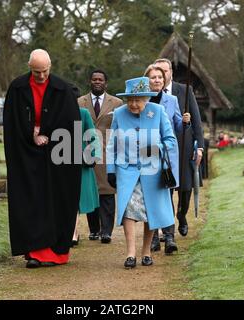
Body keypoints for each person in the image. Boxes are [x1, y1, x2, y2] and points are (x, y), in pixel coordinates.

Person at [3, 49, 82, 268]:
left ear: (50, 67)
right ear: (29, 67)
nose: (41, 76)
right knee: (31, 199)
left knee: (56, 199)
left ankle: (54, 253)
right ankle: (34, 252)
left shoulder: (63, 89)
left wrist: (49, 134)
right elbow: (12, 122)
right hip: (26, 155)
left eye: (44, 71)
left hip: (57, 156)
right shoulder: (18, 88)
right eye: (36, 72)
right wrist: (32, 134)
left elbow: (70, 124)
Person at [106, 76, 177, 268]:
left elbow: (171, 141)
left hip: (152, 171)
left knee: (150, 211)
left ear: (146, 99)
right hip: (126, 170)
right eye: (130, 100)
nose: (134, 104)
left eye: (138, 100)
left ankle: (146, 251)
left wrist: (157, 147)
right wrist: (110, 170)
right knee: (128, 209)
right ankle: (130, 253)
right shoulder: (119, 114)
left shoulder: (158, 111)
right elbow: (111, 144)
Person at [154, 58, 204, 237]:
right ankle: (167, 227)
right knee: (165, 185)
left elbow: (196, 120)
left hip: (183, 144)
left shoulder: (184, 90)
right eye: (158, 72)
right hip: (161, 149)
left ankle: (181, 214)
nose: (162, 75)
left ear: (170, 73)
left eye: (165, 71)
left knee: (184, 186)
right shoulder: (150, 94)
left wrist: (200, 147)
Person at [143, 64, 190, 254]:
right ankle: (153, 238)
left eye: (160, 77)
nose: (157, 80)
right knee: (150, 196)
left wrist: (185, 123)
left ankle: (169, 237)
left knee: (167, 195)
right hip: (146, 154)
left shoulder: (172, 101)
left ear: (165, 80)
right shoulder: (141, 101)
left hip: (167, 157)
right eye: (153, 77)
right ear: (147, 81)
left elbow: (177, 127)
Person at [78, 70, 123, 243]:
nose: (97, 82)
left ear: (106, 83)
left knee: (107, 192)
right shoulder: (79, 102)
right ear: (90, 81)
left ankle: (106, 231)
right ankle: (94, 229)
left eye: (101, 79)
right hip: (87, 152)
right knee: (91, 191)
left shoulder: (117, 103)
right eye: (94, 79)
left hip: (108, 152)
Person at [72, 107, 101, 246]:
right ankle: (72, 231)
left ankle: (73, 233)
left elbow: (92, 135)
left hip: (81, 161)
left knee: (77, 196)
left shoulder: (83, 113)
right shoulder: (56, 110)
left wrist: (93, 156)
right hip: (59, 158)